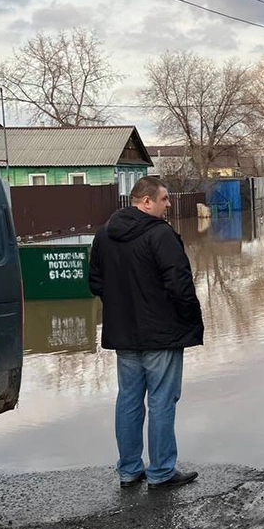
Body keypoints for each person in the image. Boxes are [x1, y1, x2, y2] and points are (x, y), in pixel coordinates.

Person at [89, 176, 204, 490]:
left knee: (128, 400)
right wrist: (189, 319)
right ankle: (162, 472)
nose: (168, 205)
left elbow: (95, 283)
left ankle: (129, 470)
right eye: (164, 199)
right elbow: (180, 285)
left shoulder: (104, 235)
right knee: (161, 402)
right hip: (162, 334)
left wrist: (120, 308)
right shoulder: (160, 235)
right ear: (146, 202)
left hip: (123, 334)